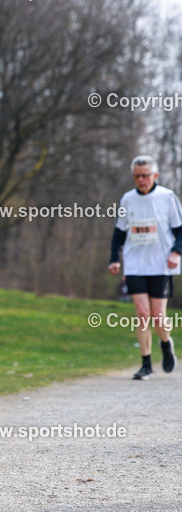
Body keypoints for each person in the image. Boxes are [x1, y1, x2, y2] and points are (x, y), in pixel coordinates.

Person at [108, 155, 182, 380]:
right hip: (135, 264)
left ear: (155, 176)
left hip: (160, 264)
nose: (141, 180)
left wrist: (176, 252)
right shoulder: (127, 199)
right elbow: (119, 232)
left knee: (158, 317)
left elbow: (180, 230)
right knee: (142, 314)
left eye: (145, 175)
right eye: (137, 176)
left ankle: (166, 343)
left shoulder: (167, 197)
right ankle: (146, 364)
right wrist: (114, 258)